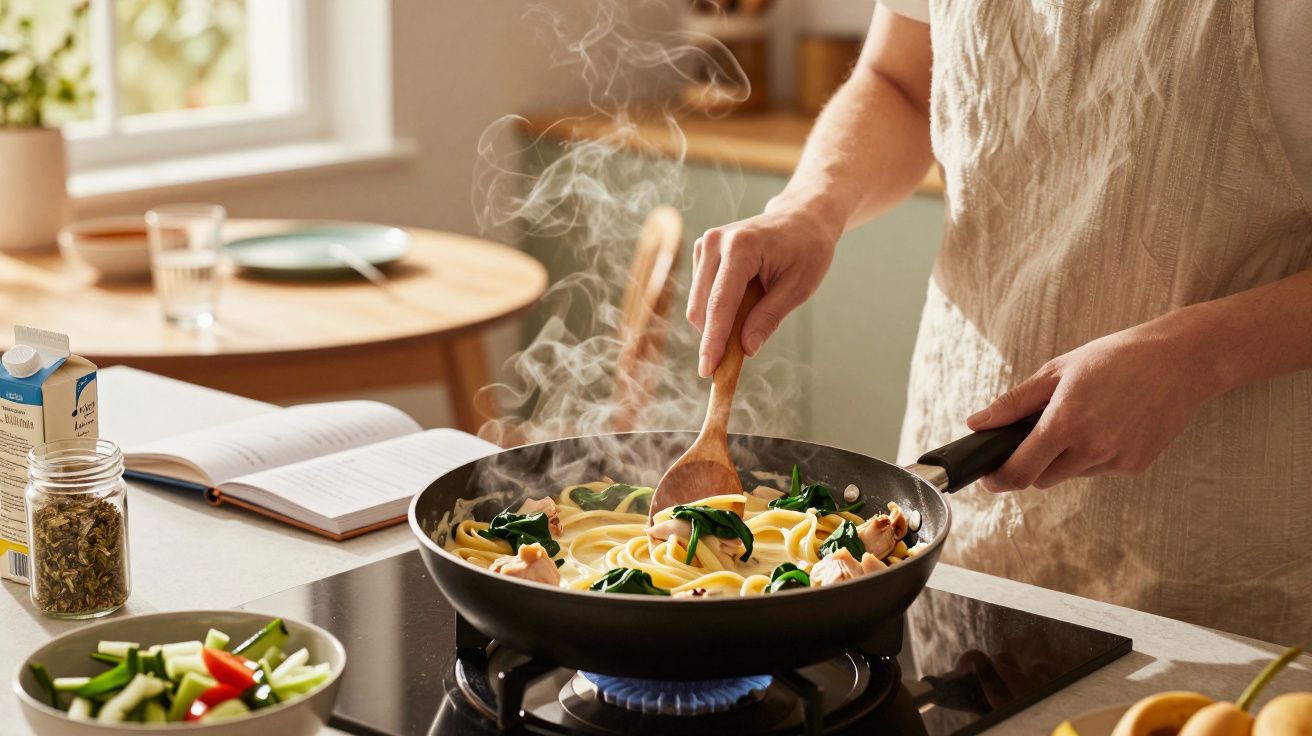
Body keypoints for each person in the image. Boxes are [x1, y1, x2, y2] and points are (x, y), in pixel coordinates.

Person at [686, 1, 1312, 645]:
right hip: (966, 504)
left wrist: (1196, 356)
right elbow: (900, 84)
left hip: (1223, 544)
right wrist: (811, 206)